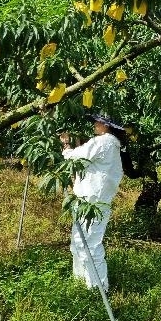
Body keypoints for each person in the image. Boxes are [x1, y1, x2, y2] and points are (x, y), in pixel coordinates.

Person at [60, 113, 124, 292]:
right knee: (79, 241)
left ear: (107, 126)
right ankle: (82, 282)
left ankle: (98, 288)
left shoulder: (104, 142)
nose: (95, 125)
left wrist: (66, 145)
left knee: (90, 243)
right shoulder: (110, 144)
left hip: (92, 203)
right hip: (90, 201)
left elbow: (76, 157)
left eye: (99, 122)